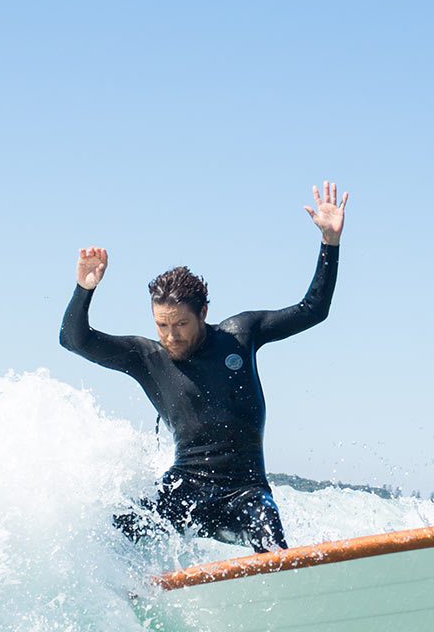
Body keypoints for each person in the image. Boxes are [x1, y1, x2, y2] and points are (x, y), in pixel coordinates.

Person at [60, 182, 348, 551]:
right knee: (118, 528)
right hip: (186, 488)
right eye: (162, 325)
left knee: (274, 544)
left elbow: (313, 310)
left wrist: (329, 244)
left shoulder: (240, 334)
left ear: (204, 313)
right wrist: (84, 289)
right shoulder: (146, 358)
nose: (171, 336)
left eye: (181, 324)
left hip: (245, 492)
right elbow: (74, 340)